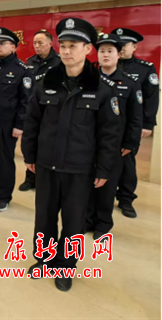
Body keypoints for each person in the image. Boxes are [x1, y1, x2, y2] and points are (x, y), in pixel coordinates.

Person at [22, 17, 121, 292]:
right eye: (63, 45)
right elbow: (32, 122)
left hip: (80, 168)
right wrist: (29, 155)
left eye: (73, 46)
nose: (66, 51)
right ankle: (44, 259)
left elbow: (110, 135)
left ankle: (66, 266)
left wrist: (104, 169)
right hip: (46, 163)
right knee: (44, 216)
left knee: (74, 220)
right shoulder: (46, 83)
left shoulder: (102, 89)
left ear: (88, 49)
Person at [86, 33, 142, 239]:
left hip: (115, 145)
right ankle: (87, 220)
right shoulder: (88, 79)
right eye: (102, 51)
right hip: (89, 142)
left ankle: (103, 223)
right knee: (88, 183)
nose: (105, 55)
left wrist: (130, 143)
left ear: (119, 55)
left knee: (107, 185)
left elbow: (136, 117)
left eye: (110, 51)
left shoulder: (130, 83)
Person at [0, 27, 31, 212]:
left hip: (7, 125)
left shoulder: (22, 70)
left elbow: (26, 101)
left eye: (3, 43)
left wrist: (19, 125)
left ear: (13, 47)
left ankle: (3, 196)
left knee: (5, 161)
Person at [112, 27, 159, 218]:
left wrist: (147, 124)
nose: (122, 48)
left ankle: (126, 199)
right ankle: (103, 194)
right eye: (118, 45)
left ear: (134, 47)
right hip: (106, 125)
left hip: (130, 125)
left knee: (127, 163)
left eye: (125, 45)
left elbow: (151, 98)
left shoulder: (144, 68)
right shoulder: (106, 66)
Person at [18, 29, 61, 191]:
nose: (37, 46)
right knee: (31, 143)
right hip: (33, 109)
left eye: (40, 43)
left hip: (51, 110)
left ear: (50, 43)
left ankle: (46, 179)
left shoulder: (59, 63)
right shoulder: (30, 62)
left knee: (49, 145)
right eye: (35, 43)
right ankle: (30, 178)